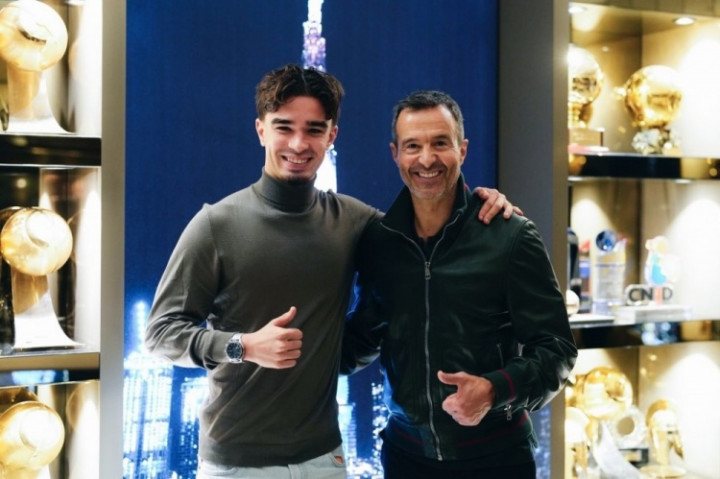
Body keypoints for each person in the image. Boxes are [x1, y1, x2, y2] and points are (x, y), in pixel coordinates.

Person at [144, 65, 517, 479]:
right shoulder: (216, 225)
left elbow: (426, 232)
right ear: (261, 130)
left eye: (314, 129)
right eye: (284, 127)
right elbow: (160, 334)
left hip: (326, 459)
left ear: (332, 135)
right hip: (235, 463)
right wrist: (243, 346)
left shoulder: (354, 221)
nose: (298, 143)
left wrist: (483, 201)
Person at [341, 90, 578, 479]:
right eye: (413, 146)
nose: (427, 159)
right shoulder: (380, 243)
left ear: (462, 150)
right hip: (405, 459)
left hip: (496, 460)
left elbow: (557, 351)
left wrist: (494, 389)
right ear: (395, 154)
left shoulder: (510, 235)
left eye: (440, 143)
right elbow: (363, 338)